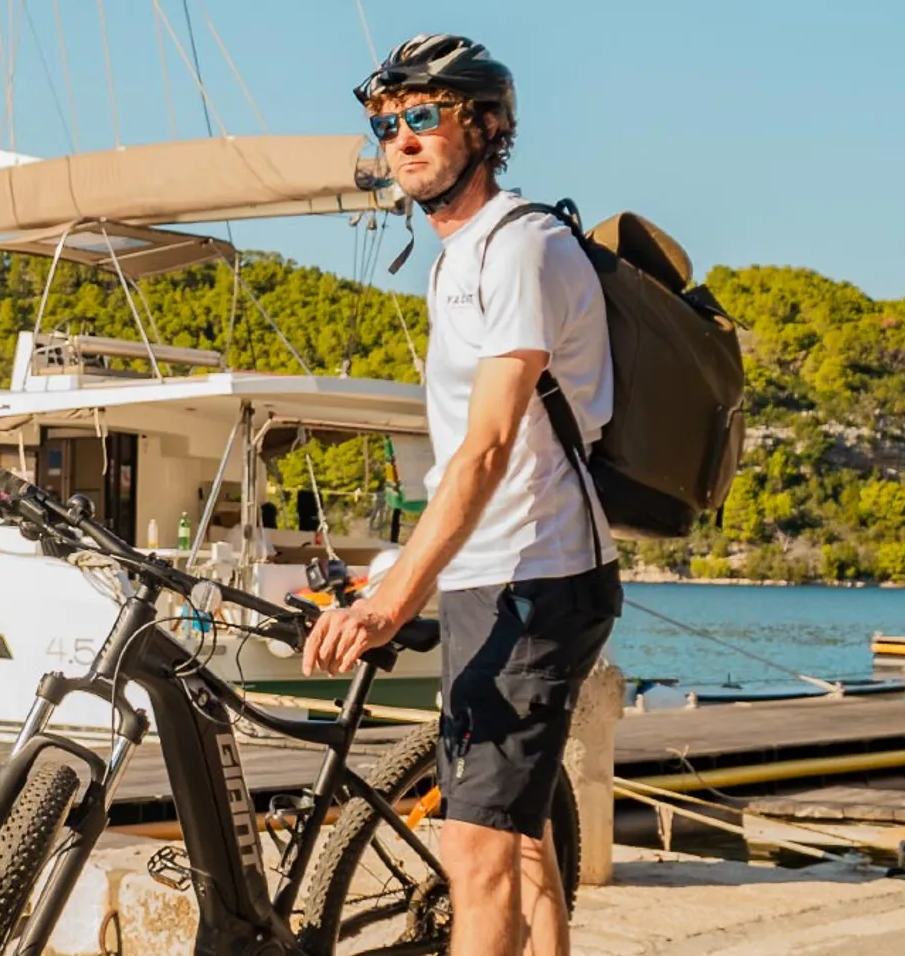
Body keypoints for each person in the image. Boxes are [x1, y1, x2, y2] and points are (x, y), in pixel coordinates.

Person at [302, 33, 624, 956]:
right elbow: (471, 459)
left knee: (472, 852)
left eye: (421, 117)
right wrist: (385, 570)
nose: (398, 139)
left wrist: (392, 603)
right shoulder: (462, 256)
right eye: (384, 122)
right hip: (498, 577)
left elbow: (488, 448)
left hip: (540, 576)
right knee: (517, 841)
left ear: (485, 126)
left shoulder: (518, 249)